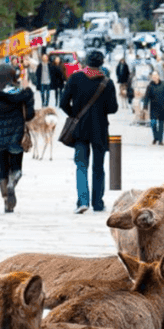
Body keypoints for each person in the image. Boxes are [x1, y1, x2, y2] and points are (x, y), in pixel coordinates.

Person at [60, 49, 117, 214]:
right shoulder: (107, 82)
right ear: (101, 63)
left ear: (86, 62)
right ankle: (98, 203)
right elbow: (113, 108)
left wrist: (75, 114)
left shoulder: (75, 78)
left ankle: (82, 201)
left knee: (81, 165)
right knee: (98, 167)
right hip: (100, 130)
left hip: (80, 129)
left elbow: (63, 102)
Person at [0, 63, 35, 213]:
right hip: (17, 136)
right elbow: (29, 115)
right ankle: (12, 184)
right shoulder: (20, 94)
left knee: (3, 168)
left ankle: (6, 200)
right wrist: (28, 92)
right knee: (16, 168)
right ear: (13, 76)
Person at [142, 70, 164, 145]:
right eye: (153, 76)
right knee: (153, 123)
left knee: (161, 125)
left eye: (155, 76)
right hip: (153, 108)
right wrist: (145, 106)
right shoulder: (150, 86)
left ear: (158, 76)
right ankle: (156, 137)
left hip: (162, 107)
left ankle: (160, 140)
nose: (154, 77)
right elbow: (146, 97)